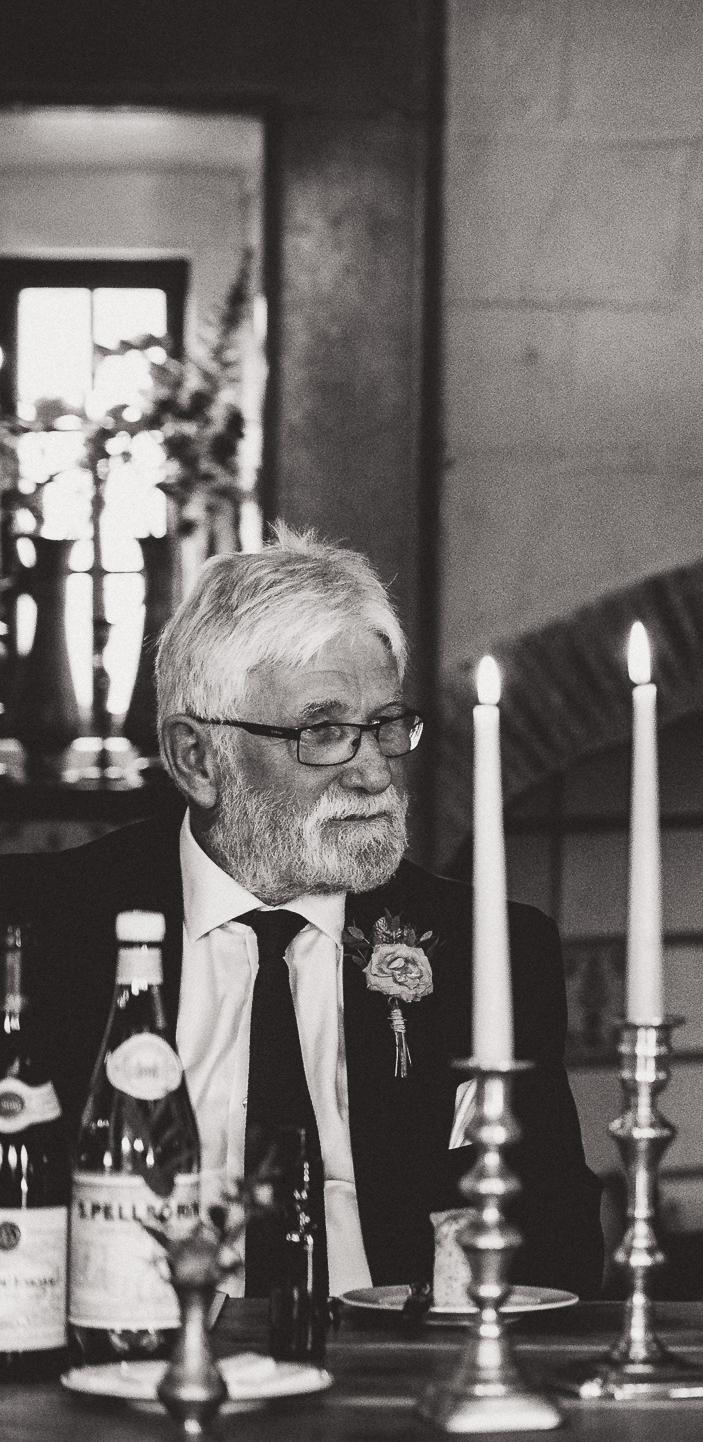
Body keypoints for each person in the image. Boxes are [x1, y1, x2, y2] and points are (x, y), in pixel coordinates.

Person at [0, 529, 606, 1296]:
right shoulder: (36, 928)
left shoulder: (489, 949)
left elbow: (561, 1252)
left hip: (390, 1383)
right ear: (196, 758)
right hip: (124, 1374)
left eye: (386, 724)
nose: (374, 770)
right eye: (323, 731)